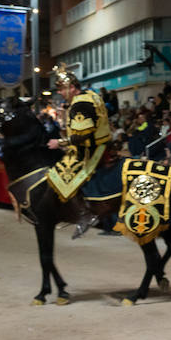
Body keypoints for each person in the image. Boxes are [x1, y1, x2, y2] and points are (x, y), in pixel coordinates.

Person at [44, 64, 113, 237]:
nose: (59, 93)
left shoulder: (80, 103)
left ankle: (85, 213)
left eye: (61, 89)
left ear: (72, 88)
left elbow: (82, 136)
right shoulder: (91, 95)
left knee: (58, 176)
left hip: (90, 151)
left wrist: (59, 142)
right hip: (101, 145)